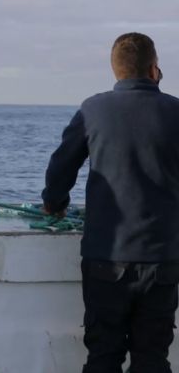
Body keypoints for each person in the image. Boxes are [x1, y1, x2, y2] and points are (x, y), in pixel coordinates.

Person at [42, 32, 179, 373]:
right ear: (154, 69)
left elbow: (61, 167)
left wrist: (54, 204)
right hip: (162, 258)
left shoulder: (93, 109)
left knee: (103, 356)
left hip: (105, 256)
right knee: (152, 358)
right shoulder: (175, 111)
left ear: (116, 70)